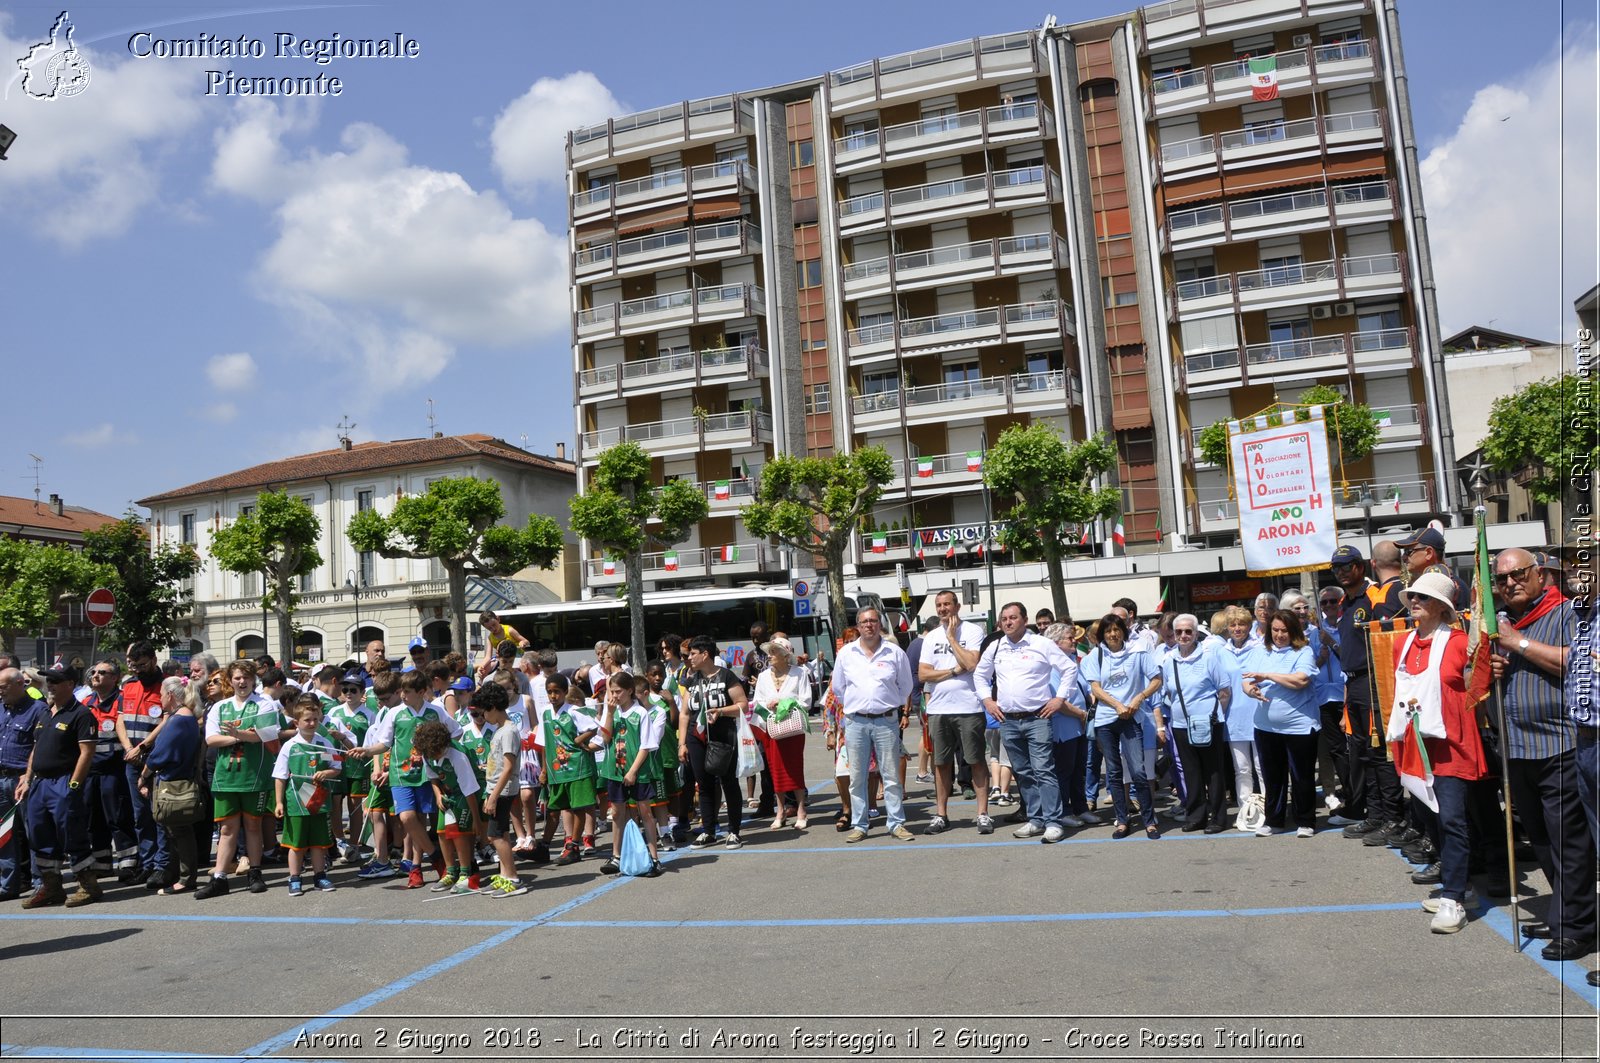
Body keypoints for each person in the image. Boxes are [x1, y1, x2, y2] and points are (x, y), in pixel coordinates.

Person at [1490, 547, 1594, 961]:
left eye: (1518, 575)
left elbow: (1578, 662)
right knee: (1544, 842)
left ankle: (1577, 927)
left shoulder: (1567, 613)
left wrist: (1520, 644)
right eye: (1502, 579)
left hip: (1560, 743)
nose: (1510, 583)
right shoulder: (1500, 622)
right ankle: (1566, 913)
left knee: (1568, 842)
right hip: (1517, 747)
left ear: (1539, 575)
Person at [1386, 572, 1485, 933]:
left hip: (1451, 746)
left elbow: (1479, 685)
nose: (1414, 601)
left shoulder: (1460, 643)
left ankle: (1453, 898)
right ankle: (1460, 886)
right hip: (1414, 747)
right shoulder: (1402, 644)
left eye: (1423, 598)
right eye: (1412, 596)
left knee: (1452, 821)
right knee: (1429, 820)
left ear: (1442, 607)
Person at [974, 602, 1081, 843]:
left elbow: (1068, 669)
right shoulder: (995, 646)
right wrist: (988, 701)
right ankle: (1035, 819)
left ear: (1025, 620)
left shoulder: (1040, 644)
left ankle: (1053, 821)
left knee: (1044, 770)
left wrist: (1059, 699)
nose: (1008, 622)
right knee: (1023, 773)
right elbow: (980, 675)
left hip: (1038, 718)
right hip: (1008, 721)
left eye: (1013, 618)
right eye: (1004, 619)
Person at [352, 670, 461, 889]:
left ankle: (416, 867)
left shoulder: (435, 712)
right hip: (400, 775)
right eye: (401, 690)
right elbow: (384, 743)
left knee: (420, 820)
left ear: (421, 692)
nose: (402, 695)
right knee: (406, 818)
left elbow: (456, 732)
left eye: (408, 691)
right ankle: (436, 855)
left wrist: (438, 749)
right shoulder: (395, 714)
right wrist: (366, 751)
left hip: (425, 774)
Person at [1330, 544, 1406, 842]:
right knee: (1362, 754)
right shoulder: (1345, 603)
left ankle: (1393, 817)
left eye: (1346, 566)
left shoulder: (1375, 596)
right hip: (1355, 683)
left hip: (1375, 680)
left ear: (1361, 567)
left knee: (1381, 754)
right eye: (1336, 568)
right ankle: (1374, 815)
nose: (1341, 572)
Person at [196, 660, 279, 898]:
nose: (241, 682)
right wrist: (239, 737)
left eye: (246, 677)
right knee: (226, 829)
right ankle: (220, 877)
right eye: (237, 678)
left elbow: (265, 735)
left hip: (254, 775)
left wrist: (236, 733)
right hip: (226, 776)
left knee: (253, 826)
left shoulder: (264, 703)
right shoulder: (220, 707)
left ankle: (255, 872)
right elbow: (211, 739)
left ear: (254, 680)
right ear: (230, 681)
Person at [832, 609, 915, 843]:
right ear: (858, 626)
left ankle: (896, 824)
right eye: (864, 621)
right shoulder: (846, 653)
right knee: (857, 777)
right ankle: (860, 825)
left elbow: (906, 686)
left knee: (891, 776)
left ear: (880, 625)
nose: (869, 625)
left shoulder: (895, 653)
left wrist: (888, 704)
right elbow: (838, 688)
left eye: (873, 621)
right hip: (856, 721)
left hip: (886, 721)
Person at [17, 667, 97, 908]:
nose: (50, 685)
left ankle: (88, 885)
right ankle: (51, 887)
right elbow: (36, 750)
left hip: (63, 782)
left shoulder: (81, 714)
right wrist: (27, 778)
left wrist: (74, 784)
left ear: (70, 684)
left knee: (71, 833)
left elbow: (87, 752)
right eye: (48, 681)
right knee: (40, 835)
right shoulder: (45, 713)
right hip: (40, 783)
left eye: (56, 681)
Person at [1082, 614, 1163, 839]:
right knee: (1114, 772)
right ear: (1102, 635)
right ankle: (1122, 821)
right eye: (1108, 631)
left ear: (1123, 631)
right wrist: (1117, 705)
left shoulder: (1138, 652)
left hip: (1131, 719)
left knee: (1138, 770)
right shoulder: (1095, 656)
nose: (1113, 634)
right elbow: (1095, 688)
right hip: (1106, 721)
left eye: (1117, 629)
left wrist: (1139, 698)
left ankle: (1149, 820)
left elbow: (1157, 679)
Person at [919, 591, 992, 835]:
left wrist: (951, 638)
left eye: (947, 604)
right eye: (939, 605)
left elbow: (972, 663)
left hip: (968, 707)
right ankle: (941, 815)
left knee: (975, 761)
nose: (942, 609)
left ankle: (982, 814)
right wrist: (952, 671)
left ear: (957, 606)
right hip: (939, 709)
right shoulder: (930, 638)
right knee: (941, 764)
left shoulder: (972, 631)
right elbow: (924, 674)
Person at [1243, 610, 1320, 837]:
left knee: (1301, 776)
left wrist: (1267, 676)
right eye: (1275, 630)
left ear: (1293, 631)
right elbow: (1246, 681)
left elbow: (1300, 680)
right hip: (1266, 726)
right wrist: (1252, 690)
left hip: (1299, 726)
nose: (1279, 635)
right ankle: (1274, 819)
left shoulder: (1303, 651)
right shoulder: (1259, 651)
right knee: (1272, 776)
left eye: (1284, 630)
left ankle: (1305, 820)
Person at [1161, 614, 1233, 833]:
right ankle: (1196, 816)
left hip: (1208, 722)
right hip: (1181, 724)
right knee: (1190, 771)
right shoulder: (1169, 659)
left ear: (1196, 633)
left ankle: (1218, 818)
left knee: (1213, 771)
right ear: (1173, 634)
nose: (1183, 635)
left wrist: (1213, 716)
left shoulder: (1209, 657)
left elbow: (1224, 691)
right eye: (1179, 632)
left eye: (1188, 631)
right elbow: (1167, 692)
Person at [679, 635, 749, 849]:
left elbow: (743, 705)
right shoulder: (692, 679)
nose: (689, 658)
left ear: (705, 654)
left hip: (722, 735)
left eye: (693, 654)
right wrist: (682, 743)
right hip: (696, 736)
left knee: (728, 781)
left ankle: (734, 831)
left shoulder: (726, 676)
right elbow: (684, 713)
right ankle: (709, 831)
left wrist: (721, 711)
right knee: (704, 783)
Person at [138, 676, 204, 895]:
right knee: (178, 832)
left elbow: (159, 754)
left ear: (170, 695)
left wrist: (144, 774)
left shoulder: (178, 720)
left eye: (161, 694)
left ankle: (185, 879)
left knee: (179, 831)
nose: (159, 698)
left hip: (173, 783)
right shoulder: (187, 717)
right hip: (181, 778)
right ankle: (181, 875)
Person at [271, 695, 342, 897]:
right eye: (307, 720)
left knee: (319, 843)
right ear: (296, 722)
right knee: (297, 844)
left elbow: (337, 766)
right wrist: (278, 802)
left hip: (318, 801)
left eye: (315, 720)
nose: (312, 724)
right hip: (297, 802)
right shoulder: (290, 746)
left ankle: (320, 875)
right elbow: (280, 776)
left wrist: (327, 773)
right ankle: (294, 878)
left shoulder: (325, 743)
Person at [596, 671, 664, 877]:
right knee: (617, 813)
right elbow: (605, 738)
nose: (614, 696)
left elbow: (647, 745)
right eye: (611, 692)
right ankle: (616, 856)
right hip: (614, 771)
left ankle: (654, 858)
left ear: (629, 691)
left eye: (618, 692)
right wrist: (608, 713)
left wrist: (633, 771)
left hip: (636, 771)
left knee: (645, 813)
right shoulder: (613, 712)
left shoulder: (640, 713)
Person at [79, 659, 136, 884]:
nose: (96, 676)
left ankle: (128, 863)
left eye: (102, 673)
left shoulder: (121, 701)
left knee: (118, 816)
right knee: (94, 818)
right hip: (91, 769)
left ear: (114, 678)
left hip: (114, 768)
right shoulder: (86, 702)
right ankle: (102, 863)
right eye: (94, 672)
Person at [412, 719, 483, 895]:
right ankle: (451, 871)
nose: (431, 756)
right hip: (447, 794)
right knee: (442, 832)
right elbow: (433, 778)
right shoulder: (428, 755)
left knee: (459, 833)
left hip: (466, 794)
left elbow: (470, 790)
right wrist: (437, 795)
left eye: (433, 752)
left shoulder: (457, 757)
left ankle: (466, 873)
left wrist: (477, 820)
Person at [115, 642, 165, 885]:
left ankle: (162, 864)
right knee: (140, 816)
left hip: (155, 759)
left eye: (142, 665)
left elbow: (166, 721)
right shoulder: (129, 685)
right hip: (132, 759)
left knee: (160, 814)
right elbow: (120, 719)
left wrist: (142, 746)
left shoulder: (166, 686)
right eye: (134, 666)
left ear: (154, 660)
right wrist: (128, 749)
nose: (138, 670)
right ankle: (147, 863)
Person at [476, 682, 531, 896]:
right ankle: (505, 875)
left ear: (493, 707)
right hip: (497, 788)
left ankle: (513, 879)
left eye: (484, 711)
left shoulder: (508, 731)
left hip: (504, 789)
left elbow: (508, 767)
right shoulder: (500, 730)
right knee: (502, 834)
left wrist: (493, 797)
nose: (483, 716)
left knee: (495, 836)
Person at [540, 673, 600, 867]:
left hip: (577, 766)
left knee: (578, 807)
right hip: (557, 769)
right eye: (549, 692)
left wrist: (578, 741)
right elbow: (544, 743)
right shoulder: (546, 713)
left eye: (557, 692)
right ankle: (543, 847)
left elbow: (593, 728)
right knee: (553, 808)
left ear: (565, 692)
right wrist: (544, 769)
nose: (553, 696)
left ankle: (574, 846)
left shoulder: (574, 711)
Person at [751, 636, 811, 830]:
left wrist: (783, 704)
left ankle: (801, 809)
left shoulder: (799, 673)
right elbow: (757, 702)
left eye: (774, 651)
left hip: (792, 730)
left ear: (786, 655)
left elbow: (806, 701)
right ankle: (780, 810)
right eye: (769, 652)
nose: (770, 655)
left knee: (794, 768)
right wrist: (769, 710)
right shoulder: (763, 676)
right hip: (771, 729)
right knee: (774, 771)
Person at [0, 667, 48, 901]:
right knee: (4, 835)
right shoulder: (0, 709)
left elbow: (39, 746)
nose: (0, 691)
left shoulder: (38, 710)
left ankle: (41, 883)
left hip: (24, 779)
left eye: (4, 686)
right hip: (1, 778)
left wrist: (28, 776)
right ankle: (9, 884)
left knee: (33, 832)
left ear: (20, 684)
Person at [1042, 622, 1093, 829]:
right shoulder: (1050, 666)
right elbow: (1058, 701)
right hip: (1064, 727)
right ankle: (1062, 810)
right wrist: (1082, 714)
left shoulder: (1072, 660)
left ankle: (1080, 808)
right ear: (1056, 643)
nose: (1075, 640)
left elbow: (1085, 687)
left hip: (1079, 726)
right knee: (1064, 771)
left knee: (1079, 769)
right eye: (1070, 638)